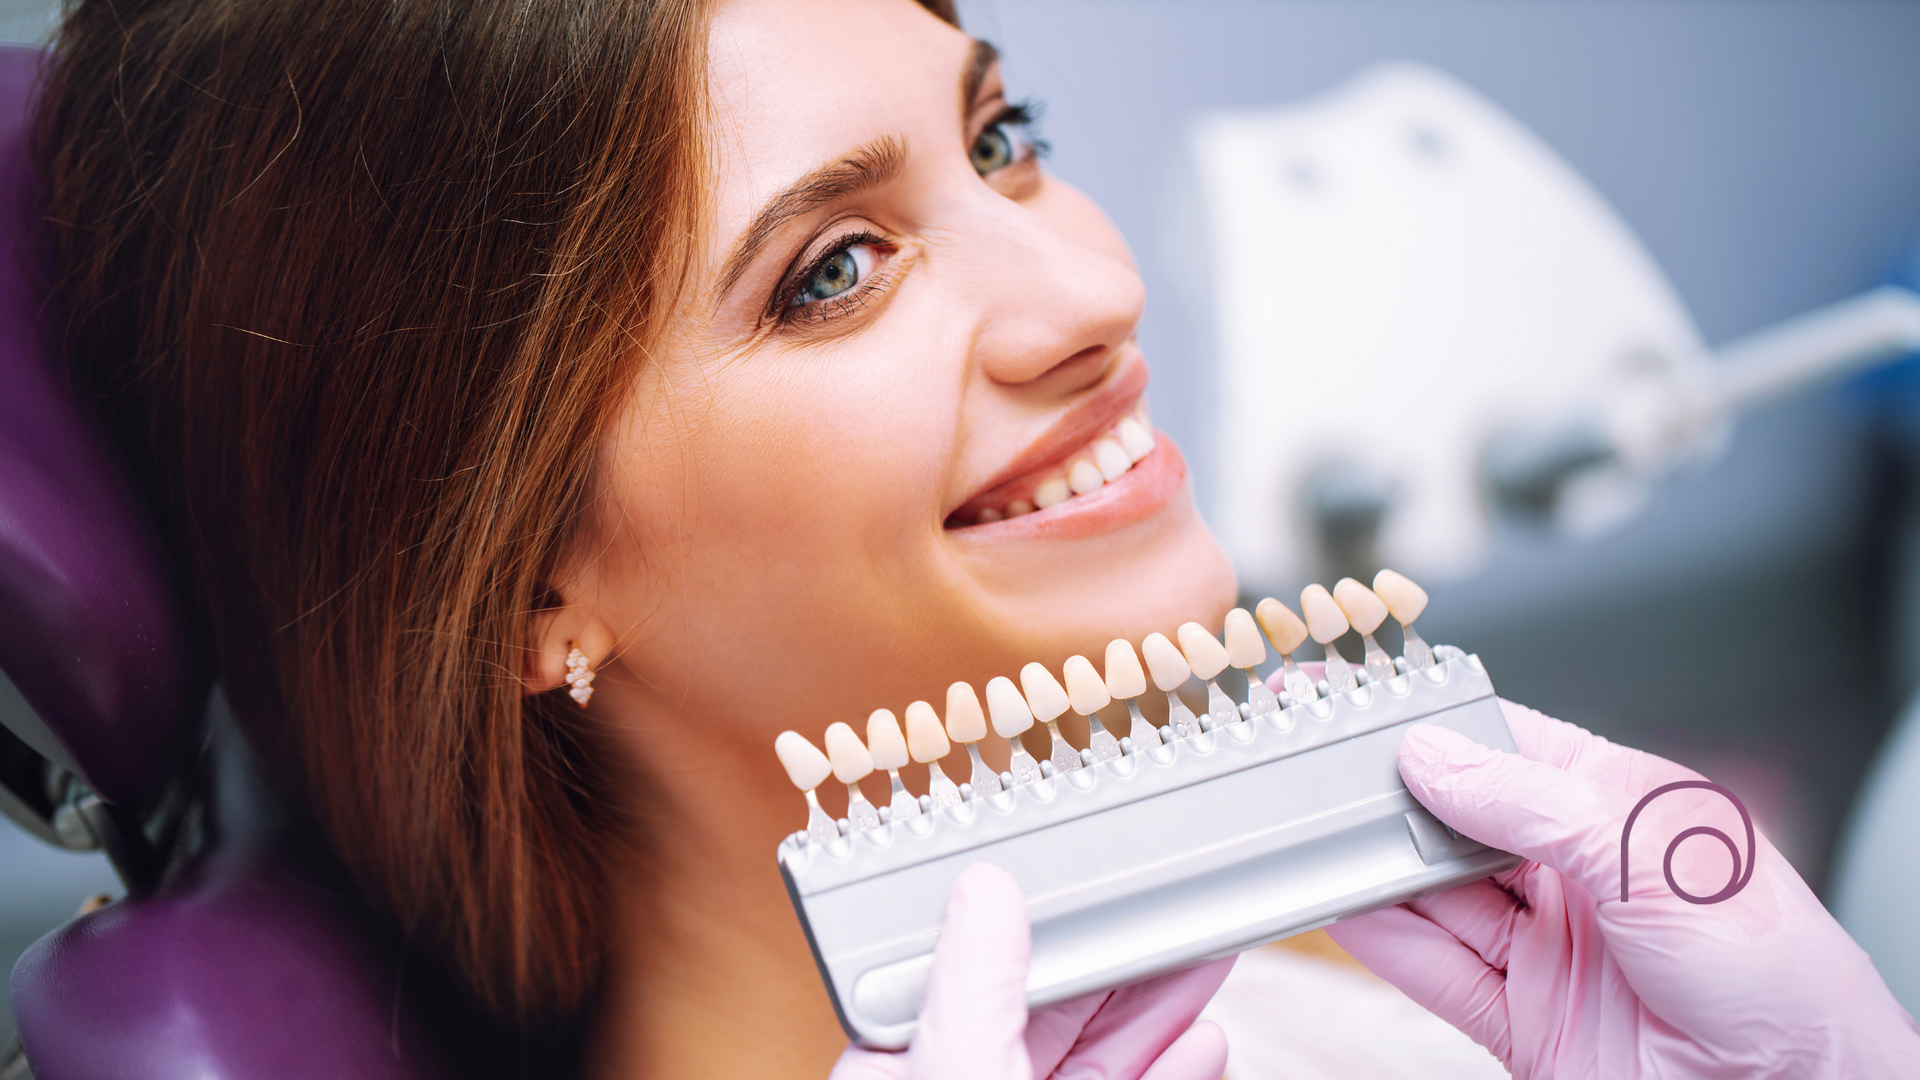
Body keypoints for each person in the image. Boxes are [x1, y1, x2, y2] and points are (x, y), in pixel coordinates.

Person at [33, 0, 1920, 1076]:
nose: (1091, 289)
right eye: (833, 271)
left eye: (1005, 137)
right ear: (525, 579)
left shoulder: (1381, 1028)